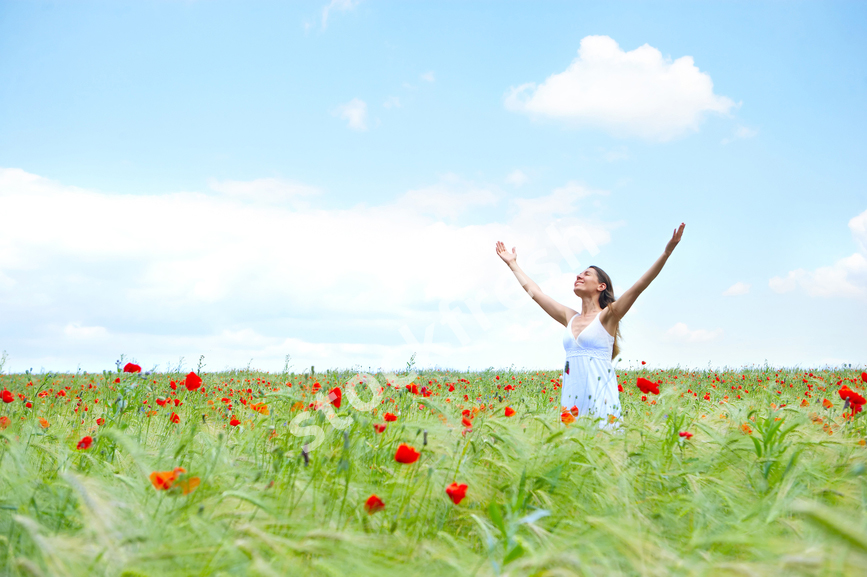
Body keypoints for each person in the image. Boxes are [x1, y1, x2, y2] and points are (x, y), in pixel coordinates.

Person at [495, 223, 685, 424]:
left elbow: (638, 286)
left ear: (601, 286)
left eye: (586, 274)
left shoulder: (608, 316)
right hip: (571, 404)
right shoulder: (569, 317)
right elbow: (536, 293)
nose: (579, 276)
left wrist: (666, 252)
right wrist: (513, 264)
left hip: (601, 403)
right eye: (579, 273)